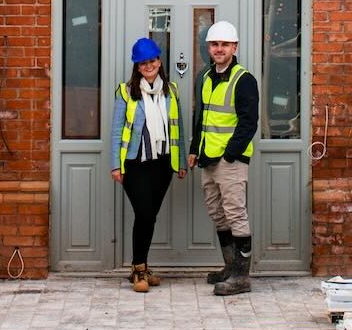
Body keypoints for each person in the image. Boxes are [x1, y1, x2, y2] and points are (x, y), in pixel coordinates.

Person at [108, 36, 185, 293]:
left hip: (163, 163)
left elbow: (178, 129)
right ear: (137, 67)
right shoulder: (126, 92)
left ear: (159, 61)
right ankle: (138, 268)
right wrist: (115, 166)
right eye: (143, 63)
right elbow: (117, 130)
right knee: (144, 214)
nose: (148, 66)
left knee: (149, 217)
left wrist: (181, 161)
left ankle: (140, 266)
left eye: (151, 60)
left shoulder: (171, 91)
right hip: (135, 164)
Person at [188, 19, 258, 296]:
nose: (219, 49)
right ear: (208, 48)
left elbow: (248, 123)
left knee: (235, 214)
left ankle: (241, 277)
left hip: (231, 160)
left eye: (225, 45)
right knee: (218, 214)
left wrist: (230, 153)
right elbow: (201, 118)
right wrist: (195, 149)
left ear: (234, 47)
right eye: (215, 44)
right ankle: (229, 267)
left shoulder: (244, 80)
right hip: (208, 158)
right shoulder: (205, 77)